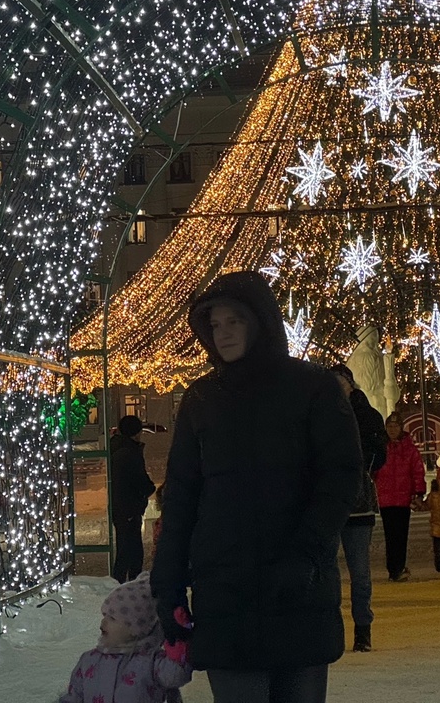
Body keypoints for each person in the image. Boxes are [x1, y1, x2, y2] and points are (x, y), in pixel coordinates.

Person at [151, 271, 363, 703]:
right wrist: (168, 585)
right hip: (228, 594)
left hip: (298, 591)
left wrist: (306, 553)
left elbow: (340, 478)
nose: (223, 333)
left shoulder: (313, 388)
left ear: (260, 321)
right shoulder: (202, 400)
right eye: (215, 325)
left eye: (234, 321)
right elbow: (182, 497)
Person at [60, 572, 192, 703]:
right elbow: (74, 696)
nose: (103, 623)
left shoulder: (152, 662)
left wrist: (178, 643)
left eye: (112, 618)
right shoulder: (89, 660)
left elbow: (176, 676)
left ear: (136, 629)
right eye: (104, 615)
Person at [331, 362, 387, 652]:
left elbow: (380, 449)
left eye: (340, 380)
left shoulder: (366, 414)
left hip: (359, 502)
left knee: (359, 572)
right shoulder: (323, 413)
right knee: (328, 571)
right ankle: (331, 628)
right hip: (329, 503)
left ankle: (362, 629)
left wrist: (364, 464)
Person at [375, 411, 425, 582]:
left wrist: (418, 493)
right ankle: (394, 568)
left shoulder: (410, 450)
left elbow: (417, 472)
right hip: (387, 499)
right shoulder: (381, 447)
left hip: (403, 499)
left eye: (395, 426)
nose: (392, 429)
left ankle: (398, 567)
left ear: (401, 428)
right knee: (391, 535)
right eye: (389, 426)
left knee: (401, 535)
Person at [111, 413, 156, 583]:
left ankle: (122, 584)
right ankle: (126, 585)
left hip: (122, 506)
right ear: (136, 433)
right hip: (129, 507)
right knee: (131, 551)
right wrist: (149, 489)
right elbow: (140, 480)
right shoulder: (129, 453)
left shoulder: (117, 449)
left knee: (126, 548)